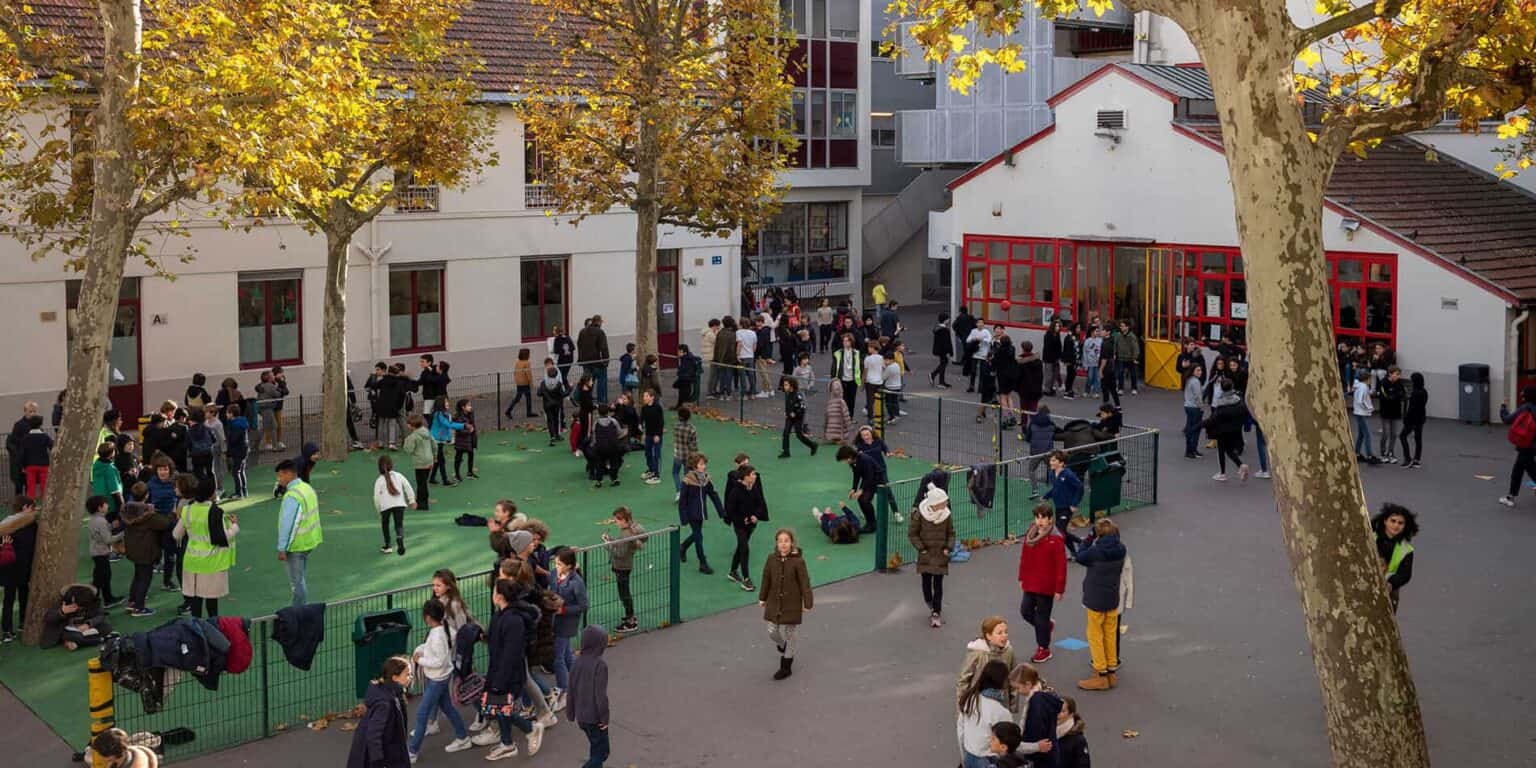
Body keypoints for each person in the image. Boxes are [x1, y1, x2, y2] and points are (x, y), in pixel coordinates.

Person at [478, 580, 546, 759]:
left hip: (508, 675)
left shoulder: (512, 620)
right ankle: (507, 743)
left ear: (499, 596)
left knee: (502, 707)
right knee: (501, 707)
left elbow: (511, 654)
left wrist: (499, 681)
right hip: (501, 672)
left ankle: (530, 729)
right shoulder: (502, 615)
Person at [408, 600, 474, 760]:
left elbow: (439, 661)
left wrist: (419, 660)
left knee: (422, 713)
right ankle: (462, 737)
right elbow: (439, 653)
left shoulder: (437, 634)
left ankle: (412, 751)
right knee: (447, 707)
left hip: (437, 679)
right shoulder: (442, 630)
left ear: (428, 617)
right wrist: (424, 651)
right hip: (442, 677)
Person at [1075, 518, 1127, 691]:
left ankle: (1101, 673)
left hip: (1095, 599)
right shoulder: (1121, 549)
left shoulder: (1095, 552)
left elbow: (1080, 556)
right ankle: (1111, 671)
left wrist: (1088, 538)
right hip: (1112, 598)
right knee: (1110, 634)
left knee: (1095, 635)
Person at [175, 476, 238, 618]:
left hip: (191, 563)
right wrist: (234, 526)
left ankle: (196, 632)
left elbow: (176, 534)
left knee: (196, 602)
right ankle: (213, 631)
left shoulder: (187, 510)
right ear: (211, 494)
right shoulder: (216, 512)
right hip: (211, 564)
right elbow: (222, 537)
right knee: (211, 602)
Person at [758, 527, 812, 681]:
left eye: (786, 541)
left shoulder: (798, 562)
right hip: (774, 602)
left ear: (792, 543)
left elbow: (804, 583)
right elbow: (766, 578)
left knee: (790, 633)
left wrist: (807, 602)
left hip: (792, 603)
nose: (783, 544)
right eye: (780, 541)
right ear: (776, 543)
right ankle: (782, 644)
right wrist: (762, 597)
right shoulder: (771, 559)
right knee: (771, 630)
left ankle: (786, 666)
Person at [1018, 503, 1067, 665]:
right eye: (1037, 517)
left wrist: (1059, 588)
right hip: (1031, 581)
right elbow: (1024, 557)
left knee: (1041, 617)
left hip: (1046, 585)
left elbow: (1061, 566)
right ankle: (1046, 626)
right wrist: (1022, 577)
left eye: (1043, 517)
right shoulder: (1030, 534)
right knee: (1025, 611)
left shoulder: (1055, 539)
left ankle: (1043, 648)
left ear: (1050, 519)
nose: (1040, 521)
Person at [347, 656, 413, 768]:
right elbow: (373, 735)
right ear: (395, 677)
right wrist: (379, 763)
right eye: (407, 674)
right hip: (385, 758)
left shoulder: (391, 693)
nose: (410, 677)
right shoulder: (385, 703)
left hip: (389, 752)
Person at [275, 459, 322, 607]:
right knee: (300, 579)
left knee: (297, 583)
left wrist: (282, 548)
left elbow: (288, 525)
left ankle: (298, 613)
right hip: (310, 541)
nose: (279, 479)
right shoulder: (307, 488)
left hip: (296, 546)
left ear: (289, 474)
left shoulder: (292, 496)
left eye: (280, 475)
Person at [565, 623, 611, 768]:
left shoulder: (576, 663)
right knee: (602, 752)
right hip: (595, 718)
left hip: (581, 717)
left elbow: (571, 690)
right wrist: (604, 718)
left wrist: (570, 713)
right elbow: (600, 696)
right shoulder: (600, 665)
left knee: (595, 746)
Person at [909, 484, 956, 628]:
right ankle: (929, 601)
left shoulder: (946, 515)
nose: (945, 505)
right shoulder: (920, 515)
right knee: (926, 582)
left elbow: (951, 533)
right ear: (934, 504)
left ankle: (936, 611)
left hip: (941, 553)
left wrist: (949, 547)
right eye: (942, 503)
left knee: (938, 584)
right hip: (926, 553)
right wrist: (921, 548)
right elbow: (913, 533)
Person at [549, 547, 588, 712]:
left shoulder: (576, 582)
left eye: (559, 564)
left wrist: (563, 610)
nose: (556, 566)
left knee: (557, 658)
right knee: (566, 654)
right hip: (555, 620)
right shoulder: (553, 574)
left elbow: (583, 606)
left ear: (569, 566)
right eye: (556, 563)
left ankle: (565, 692)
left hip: (566, 623)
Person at [119, 490, 168, 618]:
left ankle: (132, 601)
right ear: (146, 495)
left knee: (137, 577)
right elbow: (164, 524)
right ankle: (139, 607)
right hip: (147, 551)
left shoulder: (126, 512)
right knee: (144, 579)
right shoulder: (149, 515)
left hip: (134, 550)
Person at [956, 660, 1013, 768]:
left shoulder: (970, 699)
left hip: (969, 757)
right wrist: (1036, 746)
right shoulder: (1001, 712)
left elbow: (961, 732)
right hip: (989, 761)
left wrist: (964, 758)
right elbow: (1010, 744)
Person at [956, 617, 1017, 713]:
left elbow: (1013, 678)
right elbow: (964, 680)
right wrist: (962, 706)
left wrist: (1012, 705)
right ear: (988, 636)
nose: (1004, 636)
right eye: (999, 633)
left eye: (1006, 632)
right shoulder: (977, 653)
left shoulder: (1009, 651)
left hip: (1001, 702)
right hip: (979, 703)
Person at [678, 453, 724, 574]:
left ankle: (682, 547)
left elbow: (714, 495)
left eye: (704, 464)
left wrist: (721, 511)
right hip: (691, 514)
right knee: (699, 538)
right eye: (701, 464)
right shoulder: (687, 480)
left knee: (696, 535)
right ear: (694, 466)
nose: (704, 466)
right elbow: (682, 501)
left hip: (701, 513)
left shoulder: (706, 479)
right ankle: (702, 563)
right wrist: (684, 517)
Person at [601, 507, 646, 633]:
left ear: (623, 520)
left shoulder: (626, 533)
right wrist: (611, 539)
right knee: (624, 593)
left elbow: (619, 553)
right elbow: (622, 544)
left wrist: (607, 544)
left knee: (624, 594)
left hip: (622, 566)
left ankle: (630, 620)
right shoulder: (631, 530)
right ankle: (629, 616)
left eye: (616, 520)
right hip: (625, 565)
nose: (615, 523)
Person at [724, 464, 768, 590]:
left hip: (751, 525)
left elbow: (760, 504)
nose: (755, 476)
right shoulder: (736, 491)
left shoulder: (754, 488)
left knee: (740, 548)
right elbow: (730, 510)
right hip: (739, 525)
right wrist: (740, 519)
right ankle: (746, 579)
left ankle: (732, 572)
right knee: (745, 548)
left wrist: (756, 516)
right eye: (753, 474)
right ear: (746, 477)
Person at [1009, 664, 1065, 761]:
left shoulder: (1036, 705)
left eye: (1018, 688)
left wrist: (1028, 748)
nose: (1017, 692)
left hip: (1041, 756)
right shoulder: (1044, 694)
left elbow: (1035, 733)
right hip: (1050, 752)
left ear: (1028, 684)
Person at [1372, 503, 1418, 613]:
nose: (1396, 525)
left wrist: (1391, 584)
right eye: (1393, 521)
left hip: (1390, 589)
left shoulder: (1407, 549)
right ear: (1385, 521)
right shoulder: (1370, 537)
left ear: (1405, 526)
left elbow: (1405, 575)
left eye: (1400, 523)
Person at [1042, 451, 1083, 558]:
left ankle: (1081, 543)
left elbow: (1079, 487)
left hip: (1067, 507)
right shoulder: (1052, 474)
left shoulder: (1068, 474)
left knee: (1060, 530)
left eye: (1053, 460)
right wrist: (1046, 496)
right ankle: (1075, 552)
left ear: (1061, 463)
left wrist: (1074, 504)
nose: (1051, 462)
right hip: (1058, 506)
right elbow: (1056, 489)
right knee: (1062, 531)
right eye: (1051, 460)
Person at [85, 496, 124, 608]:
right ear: (100, 507)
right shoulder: (101, 521)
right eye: (105, 503)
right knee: (101, 579)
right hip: (100, 553)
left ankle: (107, 599)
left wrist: (111, 526)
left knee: (103, 577)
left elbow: (101, 533)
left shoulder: (94, 519)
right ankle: (94, 603)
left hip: (97, 552)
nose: (107, 505)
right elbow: (108, 539)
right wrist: (122, 534)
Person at [1203, 386, 1250, 481]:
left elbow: (1213, 419)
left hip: (1222, 431)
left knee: (1221, 451)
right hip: (1234, 430)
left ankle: (1222, 473)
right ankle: (1240, 465)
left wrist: (1200, 425)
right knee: (1229, 450)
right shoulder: (1238, 399)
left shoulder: (1221, 403)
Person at [374, 455, 415, 556]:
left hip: (385, 506)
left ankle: (388, 546)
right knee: (399, 524)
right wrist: (412, 500)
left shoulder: (379, 480)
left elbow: (376, 498)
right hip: (399, 504)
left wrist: (379, 510)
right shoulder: (399, 475)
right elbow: (408, 487)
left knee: (385, 524)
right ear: (391, 465)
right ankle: (399, 537)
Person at [836, 444, 880, 534]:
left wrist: (861, 490)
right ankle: (869, 523)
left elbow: (870, 476)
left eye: (844, 459)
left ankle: (873, 524)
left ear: (849, 456)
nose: (845, 462)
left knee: (864, 500)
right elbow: (856, 475)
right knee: (861, 500)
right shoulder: (853, 462)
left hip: (877, 480)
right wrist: (854, 488)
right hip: (868, 479)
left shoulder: (864, 459)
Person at [777, 378, 818, 458]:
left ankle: (813, 445)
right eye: (784, 385)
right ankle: (786, 452)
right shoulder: (787, 393)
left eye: (786, 385)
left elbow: (803, 407)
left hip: (798, 418)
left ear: (791, 386)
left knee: (799, 435)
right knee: (786, 433)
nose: (784, 387)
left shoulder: (798, 395)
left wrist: (795, 413)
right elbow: (788, 404)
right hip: (789, 417)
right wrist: (786, 412)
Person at [401, 414, 435, 510]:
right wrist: (434, 455)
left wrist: (406, 441)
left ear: (412, 426)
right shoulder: (427, 432)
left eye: (408, 424)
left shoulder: (413, 436)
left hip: (420, 462)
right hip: (429, 460)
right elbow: (434, 444)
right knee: (424, 481)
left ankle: (423, 504)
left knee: (421, 483)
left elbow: (409, 450)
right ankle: (420, 498)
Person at [1376, 366, 1407, 465]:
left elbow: (1403, 395)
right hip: (1385, 412)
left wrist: (1396, 396)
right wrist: (1395, 396)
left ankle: (1391, 453)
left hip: (1396, 413)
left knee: (1394, 434)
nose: (1398, 376)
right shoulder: (1383, 383)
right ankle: (1383, 453)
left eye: (1399, 374)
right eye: (1396, 374)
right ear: (1390, 373)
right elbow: (1385, 397)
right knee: (1385, 434)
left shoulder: (1399, 383)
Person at [577, 314, 611, 402]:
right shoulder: (600, 332)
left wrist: (580, 359)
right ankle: (602, 403)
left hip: (586, 362)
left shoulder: (582, 331)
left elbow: (579, 345)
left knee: (587, 381)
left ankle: (585, 399)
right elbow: (604, 348)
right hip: (597, 362)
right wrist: (606, 361)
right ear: (599, 322)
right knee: (601, 383)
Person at [90, 728, 161, 768]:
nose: (100, 756)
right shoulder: (127, 754)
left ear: (111, 756)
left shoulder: (135, 764)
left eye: (101, 754)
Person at [18, 414, 52, 498]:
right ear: (40, 424)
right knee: (44, 486)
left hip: (30, 465)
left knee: (31, 487)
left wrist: (22, 466)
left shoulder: (25, 438)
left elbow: (22, 453)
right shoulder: (45, 436)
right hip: (44, 464)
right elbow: (52, 446)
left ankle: (30, 506)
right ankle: (45, 505)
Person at [1352, 369, 1380, 464]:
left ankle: (1357, 453)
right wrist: (1369, 408)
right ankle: (1369, 455)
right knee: (1367, 435)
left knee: (1361, 434)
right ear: (1367, 379)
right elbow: (1361, 401)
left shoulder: (1359, 385)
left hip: (1359, 413)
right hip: (1362, 413)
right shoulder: (1364, 387)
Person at [1054, 696, 1091, 768]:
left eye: (1062, 711)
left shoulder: (1078, 740)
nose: (1057, 714)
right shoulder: (1046, 732)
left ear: (1071, 714)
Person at [1400, 372, 1427, 469]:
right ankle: (1417, 459)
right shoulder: (1424, 391)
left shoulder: (1415, 393)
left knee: (1402, 436)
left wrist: (1406, 418)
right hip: (1421, 418)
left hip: (1412, 419)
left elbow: (1412, 408)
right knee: (1418, 438)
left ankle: (1407, 458)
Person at [830, 333, 861, 415]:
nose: (845, 343)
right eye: (844, 341)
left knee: (852, 401)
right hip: (841, 379)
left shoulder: (856, 353)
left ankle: (850, 417)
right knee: (843, 400)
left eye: (847, 341)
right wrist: (833, 380)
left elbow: (860, 366)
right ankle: (844, 417)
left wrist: (859, 378)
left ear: (851, 342)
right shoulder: (838, 353)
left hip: (853, 380)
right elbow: (833, 367)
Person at [639, 389, 665, 485]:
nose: (644, 398)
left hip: (656, 435)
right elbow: (641, 419)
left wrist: (658, 434)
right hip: (648, 435)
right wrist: (640, 425)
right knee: (648, 453)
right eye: (644, 396)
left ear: (652, 397)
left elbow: (661, 422)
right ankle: (651, 470)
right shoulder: (644, 408)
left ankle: (656, 476)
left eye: (646, 396)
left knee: (656, 455)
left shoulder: (658, 408)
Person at [1182, 362, 1206, 459]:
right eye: (1198, 370)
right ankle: (1191, 451)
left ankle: (1192, 450)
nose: (1200, 372)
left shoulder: (1189, 380)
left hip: (1188, 406)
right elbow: (1198, 397)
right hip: (1195, 408)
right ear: (1193, 371)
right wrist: (1201, 407)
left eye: (1200, 370)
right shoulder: (1196, 381)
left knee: (1191, 428)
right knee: (1195, 430)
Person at [1115, 320, 1141, 395]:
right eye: (1120, 326)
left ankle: (1134, 388)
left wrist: (1135, 358)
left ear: (1127, 327)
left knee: (1133, 374)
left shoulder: (1132, 336)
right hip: (1121, 357)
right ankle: (1120, 388)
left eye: (1123, 326)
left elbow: (1135, 348)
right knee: (1120, 373)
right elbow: (1115, 345)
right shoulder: (1118, 336)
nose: (1121, 327)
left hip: (1130, 358)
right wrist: (1115, 353)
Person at [931, 311, 954, 388]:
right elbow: (947, 342)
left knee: (943, 363)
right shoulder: (945, 330)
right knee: (943, 364)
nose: (949, 320)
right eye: (948, 319)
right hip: (944, 351)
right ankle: (940, 381)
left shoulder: (937, 328)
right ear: (945, 320)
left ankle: (936, 377)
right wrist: (949, 352)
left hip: (939, 350)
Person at [824, 380, 852, 444]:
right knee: (839, 425)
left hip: (832, 428)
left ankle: (834, 437)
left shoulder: (830, 402)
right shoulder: (841, 402)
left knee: (833, 422)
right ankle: (838, 438)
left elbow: (826, 416)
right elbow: (846, 415)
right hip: (840, 429)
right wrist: (849, 425)